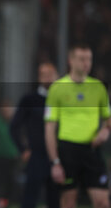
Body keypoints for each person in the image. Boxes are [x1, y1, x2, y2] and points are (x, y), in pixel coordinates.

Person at [45, 44, 111, 208]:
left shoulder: (99, 88)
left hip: (92, 150)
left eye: (89, 59)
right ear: (71, 61)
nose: (86, 63)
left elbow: (108, 118)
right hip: (68, 151)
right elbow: (49, 129)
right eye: (82, 59)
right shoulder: (57, 88)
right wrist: (55, 162)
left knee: (103, 201)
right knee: (68, 202)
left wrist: (105, 130)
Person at [10, 62, 59, 208]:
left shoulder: (62, 100)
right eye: (43, 75)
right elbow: (14, 126)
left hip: (57, 157)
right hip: (35, 156)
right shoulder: (29, 99)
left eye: (50, 74)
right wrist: (23, 149)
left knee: (56, 199)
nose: (47, 78)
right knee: (29, 199)